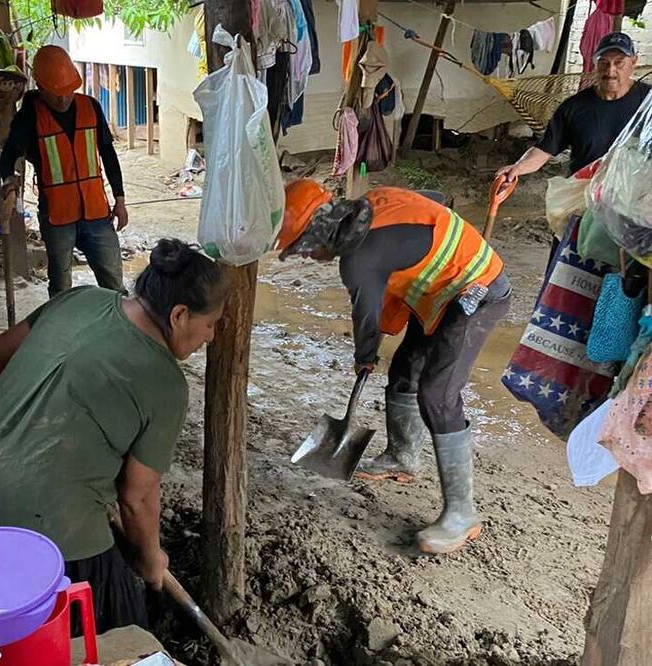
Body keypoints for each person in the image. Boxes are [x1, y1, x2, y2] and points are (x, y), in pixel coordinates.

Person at [0, 239, 228, 632]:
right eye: (210, 324)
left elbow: (0, 349)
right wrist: (149, 560)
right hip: (47, 522)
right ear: (179, 315)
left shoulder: (80, 298)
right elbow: (136, 497)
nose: (211, 336)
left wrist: (24, 425)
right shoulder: (166, 383)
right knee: (123, 630)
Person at [275, 180, 512, 555]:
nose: (306, 256)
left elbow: (366, 315)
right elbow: (432, 199)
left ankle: (462, 514)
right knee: (405, 368)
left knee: (438, 394)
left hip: (475, 289)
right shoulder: (372, 202)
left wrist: (364, 355)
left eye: (302, 248)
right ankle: (403, 457)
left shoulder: (358, 260)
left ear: (319, 231)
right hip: (441, 288)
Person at [0, 45, 128, 298]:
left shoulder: (91, 107)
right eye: (56, 93)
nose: (63, 99)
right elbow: (8, 155)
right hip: (57, 216)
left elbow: (109, 156)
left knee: (114, 284)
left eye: (68, 91)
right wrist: (9, 180)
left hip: (96, 212)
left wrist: (120, 200)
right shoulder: (29, 117)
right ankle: (61, 331)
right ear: (41, 88)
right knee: (60, 286)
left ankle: (118, 329)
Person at [497, 32, 649, 182]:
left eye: (619, 62)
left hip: (636, 199)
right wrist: (518, 167)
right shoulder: (574, 107)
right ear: (595, 64)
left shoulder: (648, 102)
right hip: (584, 196)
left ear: (634, 62)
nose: (610, 71)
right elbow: (544, 149)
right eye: (604, 62)